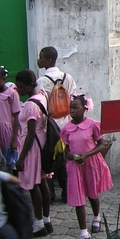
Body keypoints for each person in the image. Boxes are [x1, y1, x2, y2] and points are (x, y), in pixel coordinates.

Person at [61, 94, 113, 239]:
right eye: (70, 108)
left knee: (92, 194)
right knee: (78, 198)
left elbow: (101, 145)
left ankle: (96, 217)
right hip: (74, 166)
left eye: (75, 108)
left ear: (84, 109)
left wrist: (86, 155)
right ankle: (83, 233)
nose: (72, 111)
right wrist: (69, 154)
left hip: (90, 163)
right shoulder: (67, 128)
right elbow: (66, 147)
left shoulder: (92, 125)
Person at [36, 46, 77, 204]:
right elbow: (73, 99)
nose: (38, 60)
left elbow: (41, 105)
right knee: (64, 159)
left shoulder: (42, 81)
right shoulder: (68, 77)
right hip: (66, 123)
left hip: (50, 125)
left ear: (48, 60)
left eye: (41, 57)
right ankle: (67, 193)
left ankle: (50, 194)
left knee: (49, 158)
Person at [15, 70, 52, 237]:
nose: (18, 89)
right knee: (43, 181)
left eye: (21, 87)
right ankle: (46, 219)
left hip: (32, 145)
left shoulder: (30, 104)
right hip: (41, 140)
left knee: (33, 185)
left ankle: (38, 224)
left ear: (30, 85)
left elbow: (30, 133)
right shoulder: (42, 96)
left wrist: (21, 157)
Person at [0, 66, 21, 165]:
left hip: (8, 131)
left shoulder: (12, 94)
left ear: (3, 79)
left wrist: (14, 139)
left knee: (12, 160)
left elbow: (16, 116)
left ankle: (15, 179)